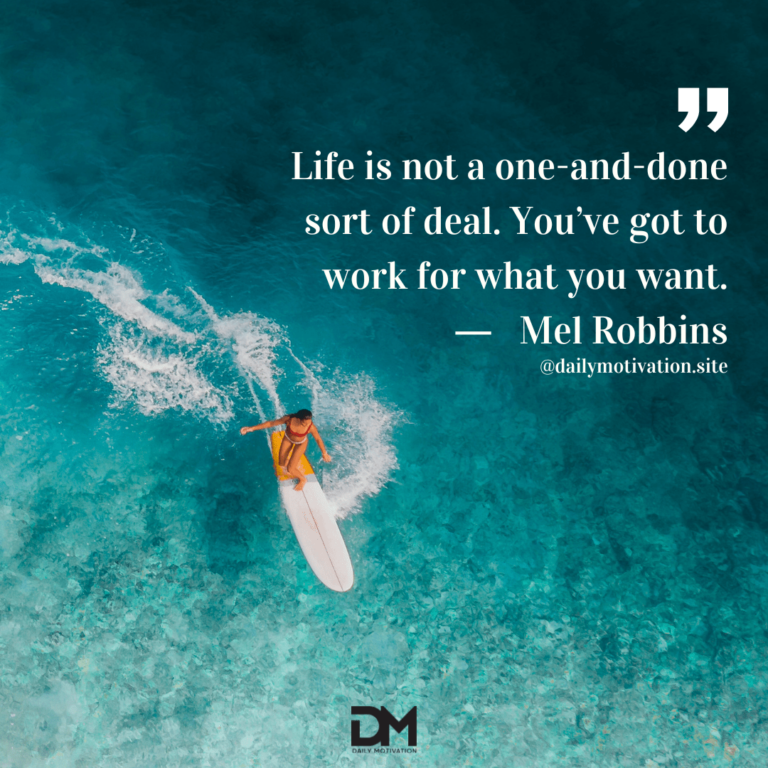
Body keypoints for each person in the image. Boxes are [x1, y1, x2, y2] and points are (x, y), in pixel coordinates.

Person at [240, 409, 331, 491]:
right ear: (298, 419)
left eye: (309, 422)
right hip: (288, 439)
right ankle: (290, 462)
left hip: (301, 444)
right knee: (281, 464)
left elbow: (318, 439)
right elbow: (271, 423)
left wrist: (324, 453)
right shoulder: (289, 419)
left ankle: (302, 479)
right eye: (305, 423)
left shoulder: (310, 426)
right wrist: (251, 428)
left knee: (290, 470)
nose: (308, 424)